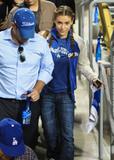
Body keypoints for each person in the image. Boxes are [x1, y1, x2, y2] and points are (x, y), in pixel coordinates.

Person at [40, 5, 102, 160]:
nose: (63, 27)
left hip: (67, 94)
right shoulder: (44, 38)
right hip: (46, 94)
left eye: (66, 23)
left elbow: (83, 64)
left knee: (67, 136)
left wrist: (93, 78)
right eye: (59, 22)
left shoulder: (78, 42)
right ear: (54, 21)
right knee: (50, 134)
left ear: (72, 22)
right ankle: (52, 156)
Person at [0, 7, 54, 149]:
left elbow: (47, 68)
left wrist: (38, 88)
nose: (27, 38)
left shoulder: (40, 42)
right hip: (3, 103)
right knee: (3, 144)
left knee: (27, 143)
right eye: (23, 34)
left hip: (29, 103)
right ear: (13, 27)